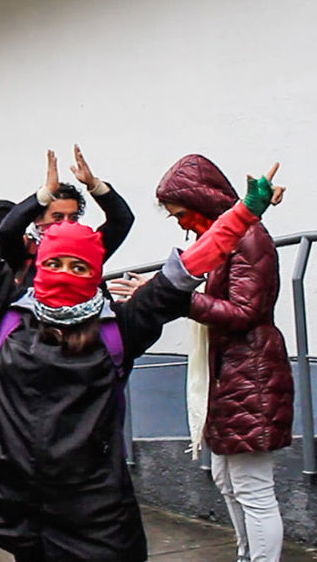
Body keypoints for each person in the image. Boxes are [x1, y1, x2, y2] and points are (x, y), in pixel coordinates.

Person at [0, 159, 282, 562]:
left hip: (95, 521)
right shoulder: (8, 313)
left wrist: (244, 215)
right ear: (39, 268)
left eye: (78, 266)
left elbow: (189, 267)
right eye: (54, 264)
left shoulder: (119, 328)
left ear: (95, 273)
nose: (64, 273)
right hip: (20, 512)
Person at [157, 155, 293, 562]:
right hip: (235, 373)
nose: (181, 223)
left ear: (200, 202)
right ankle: (248, 556)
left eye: (182, 213)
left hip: (248, 372)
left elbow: (244, 312)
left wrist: (181, 299)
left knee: (252, 488)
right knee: (229, 482)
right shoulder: (226, 237)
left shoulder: (248, 238)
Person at [0, 147, 134, 286]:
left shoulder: (88, 247)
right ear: (37, 219)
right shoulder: (25, 251)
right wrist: (45, 193)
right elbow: (8, 231)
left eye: (73, 217)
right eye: (57, 217)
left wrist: (94, 185)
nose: (66, 223)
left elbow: (121, 220)